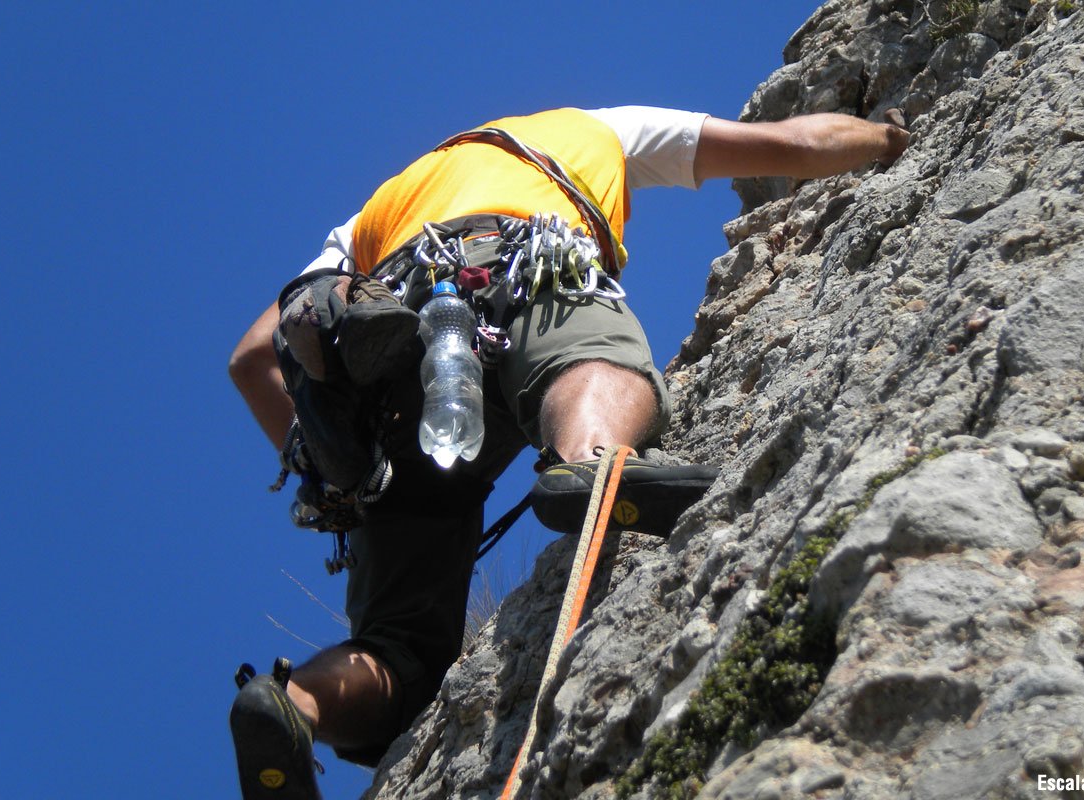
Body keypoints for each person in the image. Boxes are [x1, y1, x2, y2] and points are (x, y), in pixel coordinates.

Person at [227, 105, 909, 799]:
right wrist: (887, 136)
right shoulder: (596, 129)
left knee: (397, 648)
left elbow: (253, 358)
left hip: (395, 352)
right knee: (588, 352)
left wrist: (344, 485)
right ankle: (589, 459)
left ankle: (295, 704)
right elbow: (794, 142)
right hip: (524, 262)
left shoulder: (377, 211)